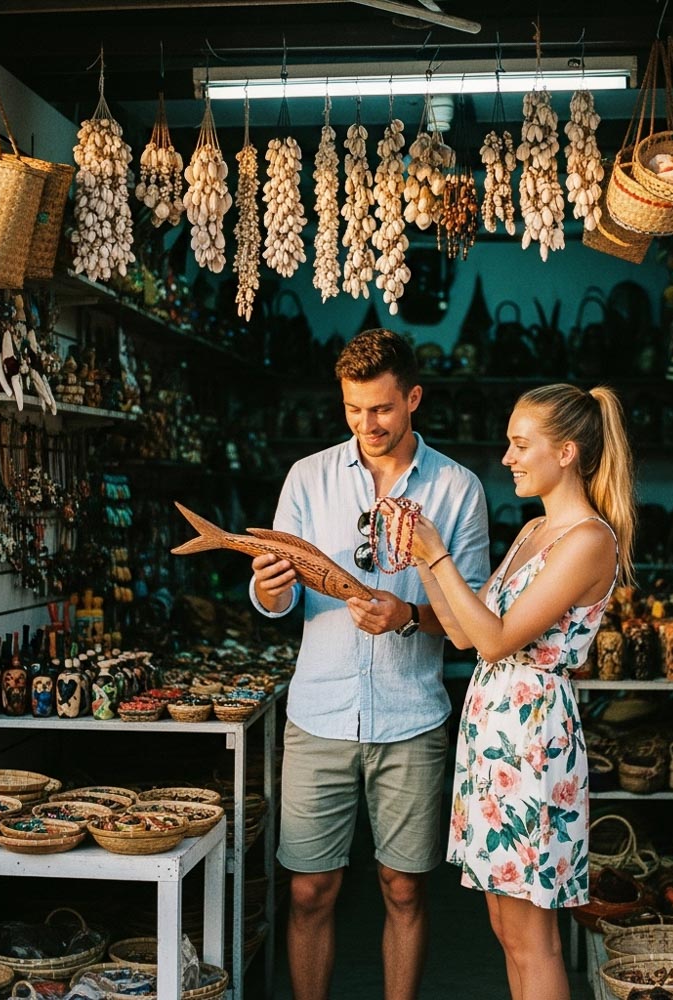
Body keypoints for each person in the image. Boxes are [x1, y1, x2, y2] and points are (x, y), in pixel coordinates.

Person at [249, 328, 490, 1000]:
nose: (367, 424)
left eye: (381, 409)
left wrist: (409, 615)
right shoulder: (309, 476)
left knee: (406, 889)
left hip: (411, 716)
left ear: (413, 397)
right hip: (319, 712)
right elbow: (278, 592)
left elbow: (474, 622)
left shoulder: (457, 488)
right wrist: (269, 590)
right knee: (309, 890)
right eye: (354, 410)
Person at [391, 383, 635, 1000]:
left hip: (533, 744)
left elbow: (496, 640)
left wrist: (439, 551)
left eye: (521, 444)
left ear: (568, 453)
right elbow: (463, 631)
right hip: (496, 739)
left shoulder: (588, 540)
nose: (507, 458)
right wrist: (420, 555)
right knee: (506, 925)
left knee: (534, 936)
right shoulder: (533, 532)